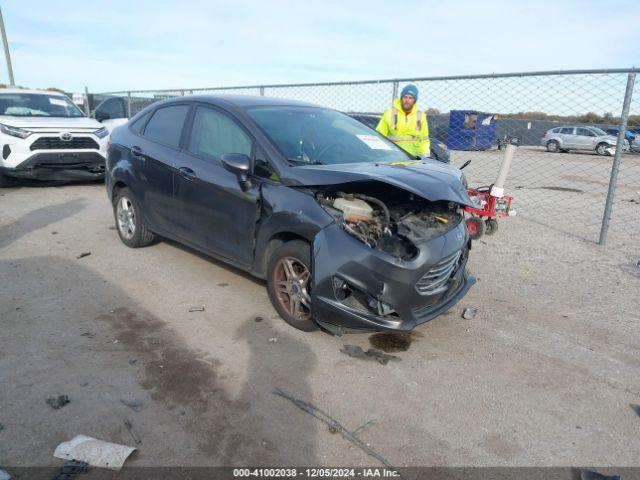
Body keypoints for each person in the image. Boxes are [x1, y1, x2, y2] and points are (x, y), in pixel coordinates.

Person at [376, 84, 430, 157]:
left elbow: (424, 139)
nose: (407, 100)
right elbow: (380, 135)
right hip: (392, 157)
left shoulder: (420, 116)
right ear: (401, 98)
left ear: (414, 100)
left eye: (410, 98)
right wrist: (380, 153)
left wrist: (425, 156)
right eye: (405, 97)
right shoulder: (390, 113)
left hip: (412, 158)